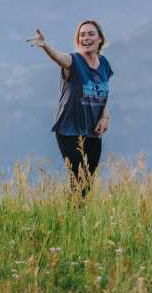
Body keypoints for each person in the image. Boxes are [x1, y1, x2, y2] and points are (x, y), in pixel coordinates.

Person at [29, 20, 113, 196]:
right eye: (82, 35)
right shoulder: (73, 61)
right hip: (69, 130)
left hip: (93, 131)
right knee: (77, 179)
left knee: (87, 182)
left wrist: (105, 116)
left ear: (100, 39)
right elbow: (59, 58)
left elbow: (103, 91)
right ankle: (71, 218)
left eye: (91, 34)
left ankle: (76, 217)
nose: (86, 37)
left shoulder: (104, 63)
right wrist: (45, 46)